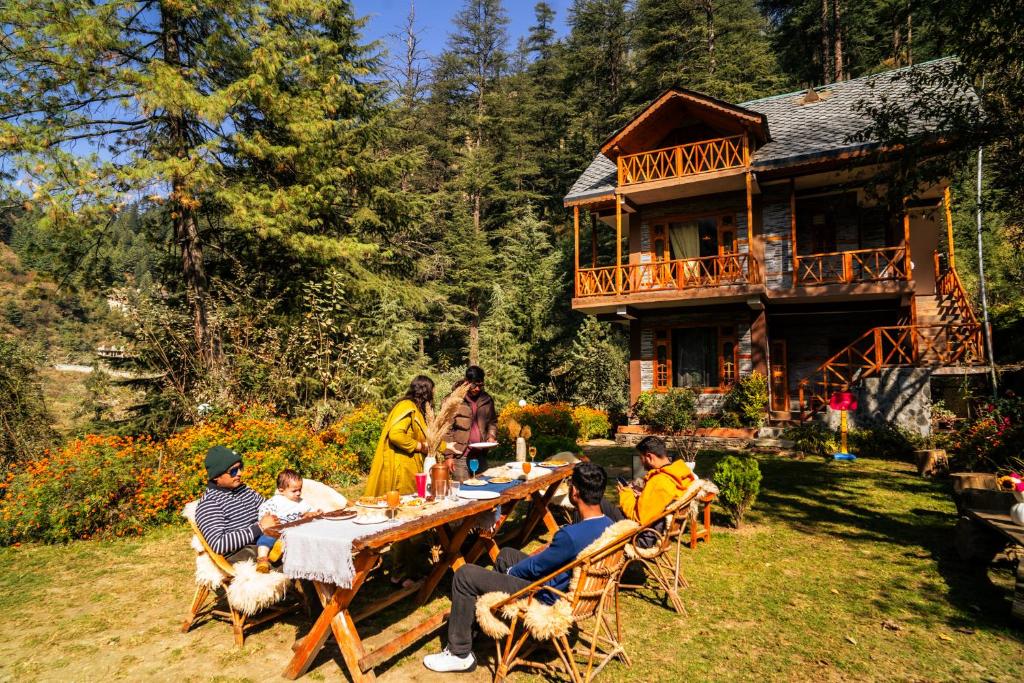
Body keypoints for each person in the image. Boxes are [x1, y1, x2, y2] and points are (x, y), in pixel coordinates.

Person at [423, 461, 614, 673]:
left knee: (465, 574)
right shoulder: (607, 525)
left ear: (575, 491)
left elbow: (536, 568)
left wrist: (511, 573)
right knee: (506, 555)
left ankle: (459, 653)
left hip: (546, 594)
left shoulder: (570, 536)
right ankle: (480, 624)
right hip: (566, 585)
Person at [365, 375, 445, 497]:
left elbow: (427, 438)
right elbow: (395, 434)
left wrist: (446, 446)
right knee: (405, 505)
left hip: (414, 466)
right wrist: (419, 446)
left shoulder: (418, 409)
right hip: (403, 469)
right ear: (425, 391)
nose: (433, 395)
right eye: (432, 391)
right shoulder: (406, 406)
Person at [195, 445, 278, 562]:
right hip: (241, 553)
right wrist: (259, 527)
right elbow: (218, 544)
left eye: (240, 468)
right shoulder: (209, 504)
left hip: (263, 541)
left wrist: (300, 514)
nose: (239, 473)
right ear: (216, 477)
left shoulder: (245, 490)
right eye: (233, 471)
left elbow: (269, 508)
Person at [617, 436, 696, 548]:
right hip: (659, 531)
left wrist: (625, 493)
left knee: (600, 506)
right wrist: (644, 494)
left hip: (645, 537)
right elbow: (660, 500)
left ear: (649, 457)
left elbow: (638, 518)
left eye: (642, 459)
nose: (642, 463)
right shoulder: (680, 476)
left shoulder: (659, 481)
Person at [254, 469, 320, 573]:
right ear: (281, 490)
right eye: (294, 491)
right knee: (265, 539)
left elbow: (309, 512)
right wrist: (268, 521)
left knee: (303, 538)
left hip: (294, 531)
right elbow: (264, 513)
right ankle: (262, 559)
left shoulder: (302, 503)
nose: (298, 493)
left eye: (300, 490)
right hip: (277, 531)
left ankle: (280, 551)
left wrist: (312, 514)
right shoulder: (275, 501)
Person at [444, 365, 498, 481]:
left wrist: (491, 436)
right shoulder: (453, 400)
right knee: (463, 492)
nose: (477, 389)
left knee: (484, 491)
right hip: (460, 455)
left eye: (480, 385)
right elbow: (446, 429)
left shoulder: (487, 400)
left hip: (480, 455)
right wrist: (448, 456)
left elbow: (492, 422)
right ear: (467, 382)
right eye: (474, 385)